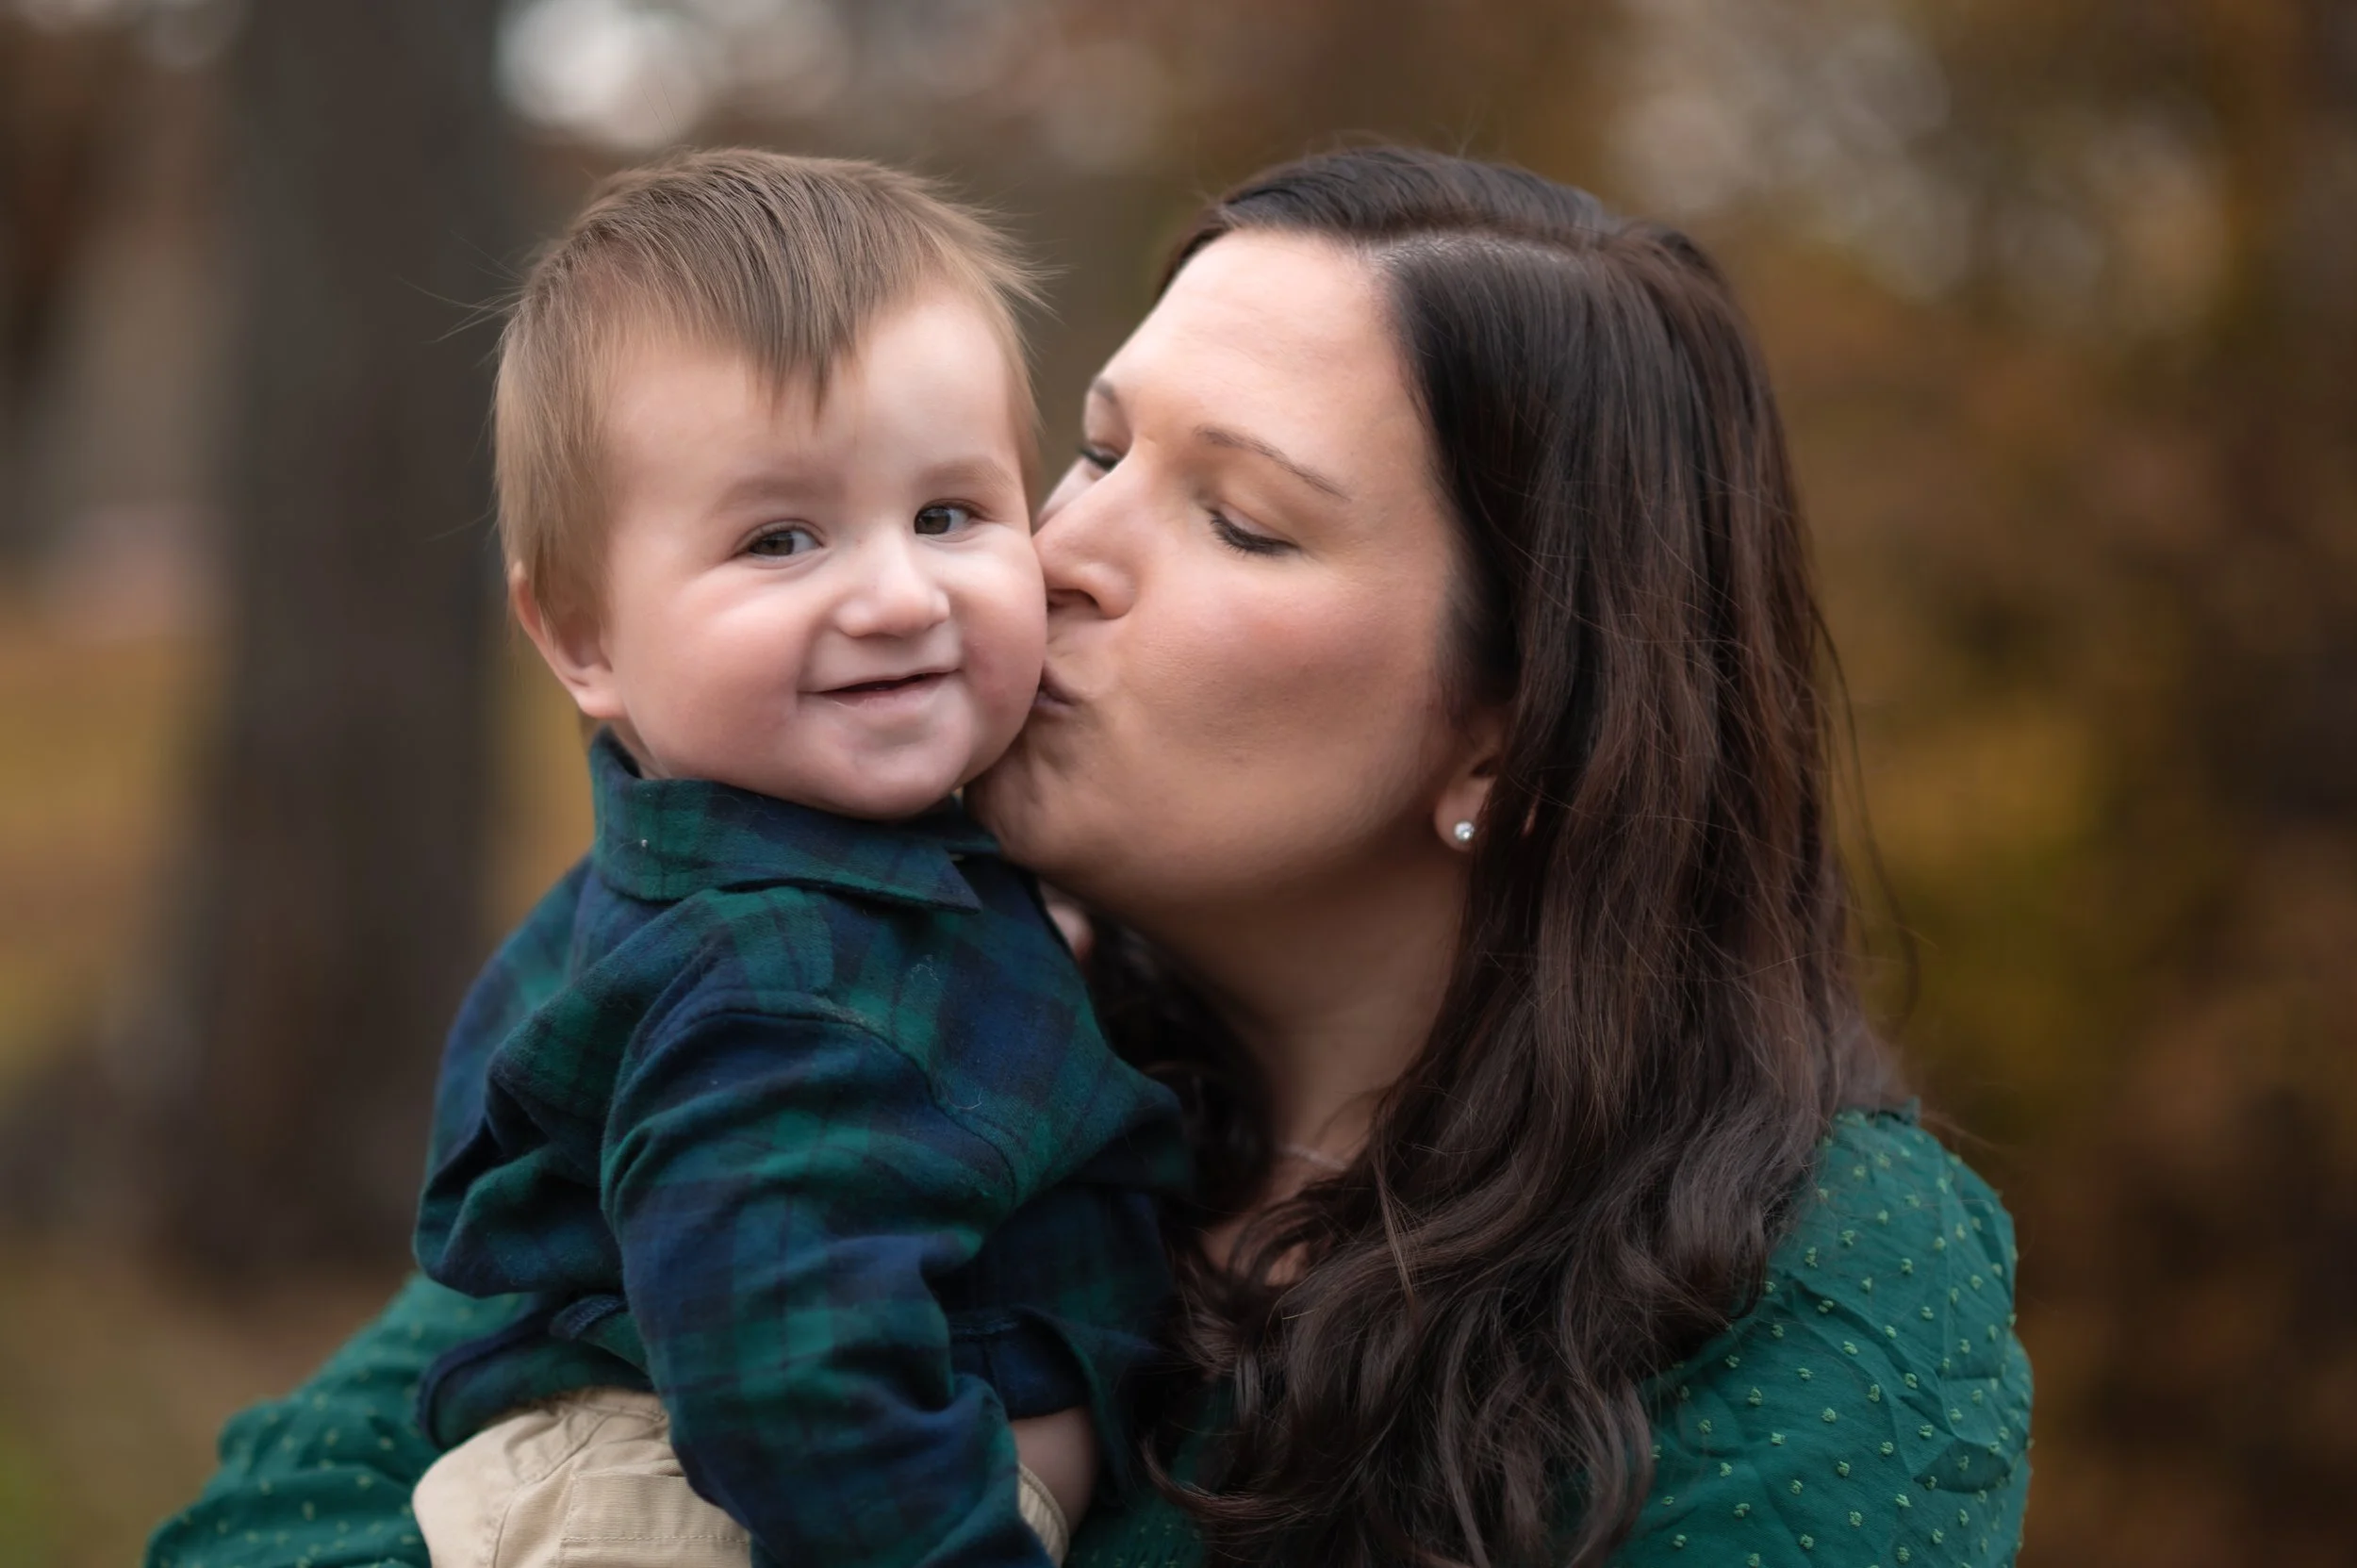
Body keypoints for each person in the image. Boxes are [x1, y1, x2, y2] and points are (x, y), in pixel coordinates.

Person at [146, 146, 2030, 1568]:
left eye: (1237, 520)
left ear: (1511, 726)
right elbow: (266, 1521)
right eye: (1095, 451)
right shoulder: (846, 982)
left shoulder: (1810, 1279)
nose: (1049, 561)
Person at [396, 149, 1188, 1568]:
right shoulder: (779, 983)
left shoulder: (795, 877)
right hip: (708, 1512)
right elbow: (789, 1384)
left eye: (949, 513)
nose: (895, 596)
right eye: (780, 538)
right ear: (583, 638)